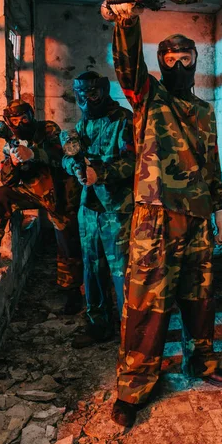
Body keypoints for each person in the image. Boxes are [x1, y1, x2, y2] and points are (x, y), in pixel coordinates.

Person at [101, 0, 222, 429]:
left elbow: (212, 163)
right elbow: (127, 65)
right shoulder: (147, 98)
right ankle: (135, 385)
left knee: (199, 299)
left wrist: (220, 210)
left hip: (197, 219)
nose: (180, 65)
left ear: (197, 62)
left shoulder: (203, 110)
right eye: (171, 59)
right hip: (154, 217)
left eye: (187, 58)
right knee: (146, 304)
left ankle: (201, 362)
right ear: (161, 63)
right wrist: (126, 21)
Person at [0, 99, 83, 314]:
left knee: (67, 245)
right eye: (15, 120)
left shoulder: (48, 129)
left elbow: (62, 157)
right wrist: (12, 163)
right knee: (0, 195)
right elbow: (8, 181)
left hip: (61, 195)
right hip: (34, 192)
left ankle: (72, 293)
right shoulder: (11, 141)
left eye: (25, 117)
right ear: (9, 122)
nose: (21, 123)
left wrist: (33, 154)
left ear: (32, 115)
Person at [62, 71, 135, 347]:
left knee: (121, 271)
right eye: (81, 94)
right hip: (90, 208)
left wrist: (100, 173)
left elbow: (134, 162)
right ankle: (98, 325)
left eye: (92, 93)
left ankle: (131, 332)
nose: (87, 99)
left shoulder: (123, 120)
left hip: (117, 209)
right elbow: (67, 160)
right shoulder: (84, 123)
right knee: (92, 269)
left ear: (104, 91)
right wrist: (77, 168)